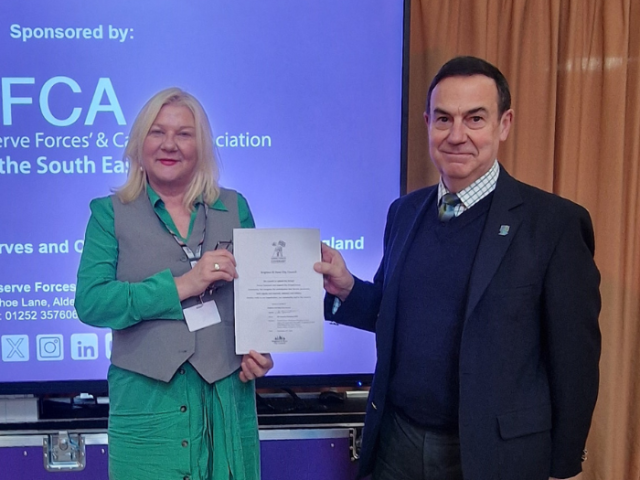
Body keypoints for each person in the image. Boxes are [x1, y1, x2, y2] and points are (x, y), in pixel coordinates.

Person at [314, 56, 601, 480]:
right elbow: (397, 317)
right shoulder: (405, 212)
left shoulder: (553, 224)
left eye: (475, 119)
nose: (457, 135)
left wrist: (564, 465)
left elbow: (575, 358)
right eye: (444, 119)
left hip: (493, 456)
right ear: (428, 122)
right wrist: (347, 289)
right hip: (397, 443)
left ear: (504, 124)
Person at [75, 87, 273, 480]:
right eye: (157, 132)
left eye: (184, 134)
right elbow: (92, 302)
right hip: (148, 410)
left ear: (201, 146)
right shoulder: (109, 214)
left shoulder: (235, 207)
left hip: (226, 403)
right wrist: (181, 285)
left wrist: (262, 351)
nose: (170, 144)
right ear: (138, 143)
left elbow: (258, 300)